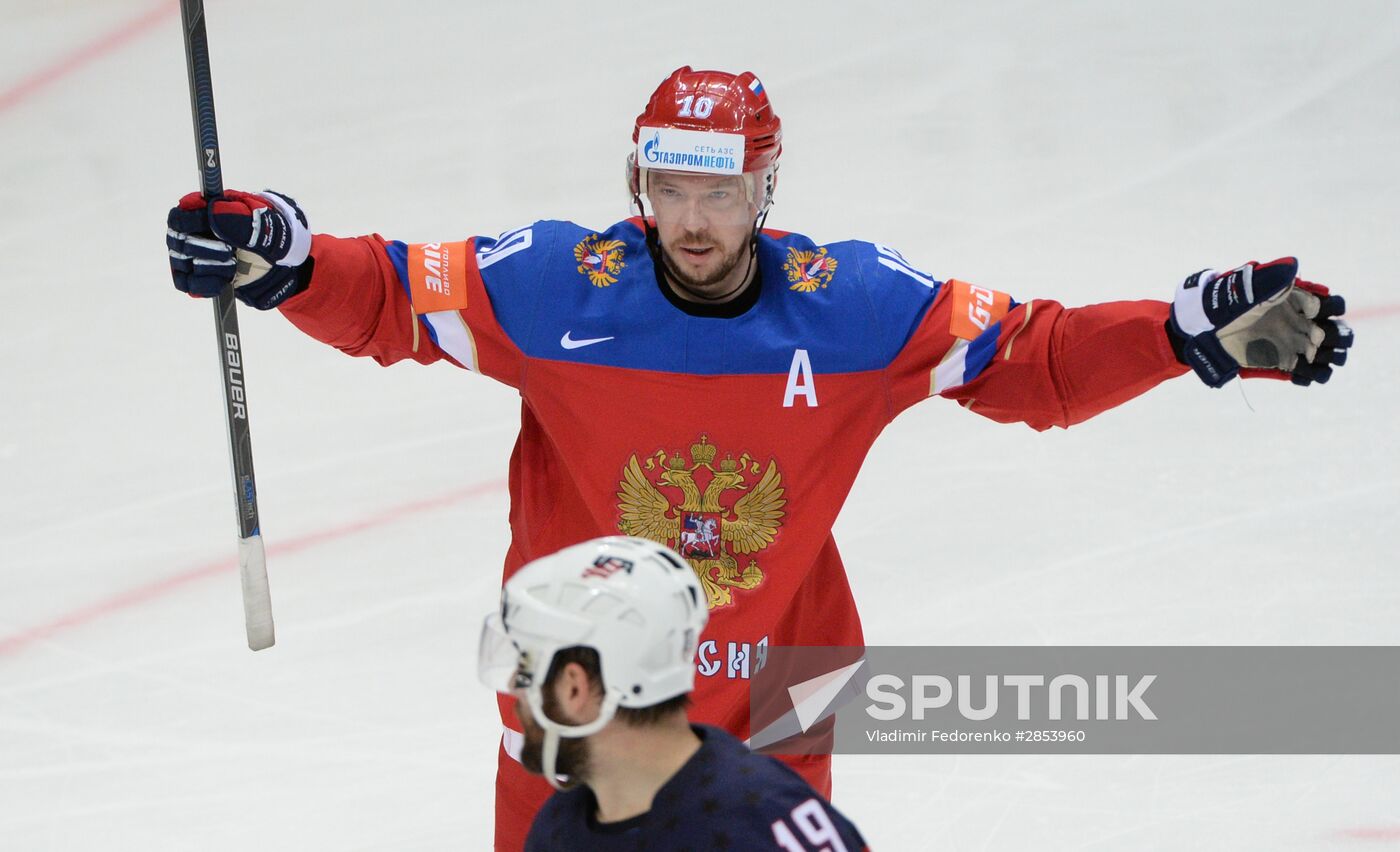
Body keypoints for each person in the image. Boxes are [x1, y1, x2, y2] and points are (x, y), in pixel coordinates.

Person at [164, 66, 1354, 849]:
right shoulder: (554, 288)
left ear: (766, 191)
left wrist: (1181, 333)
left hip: (781, 695)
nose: (691, 220)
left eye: (720, 193)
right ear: (637, 184)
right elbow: (384, 296)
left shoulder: (853, 308)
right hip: (573, 704)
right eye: (669, 188)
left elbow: (1028, 361)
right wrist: (281, 253)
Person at [478, 535, 868, 851]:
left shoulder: (766, 827)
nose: (516, 690)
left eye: (526, 669)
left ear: (575, 686)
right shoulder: (560, 827)